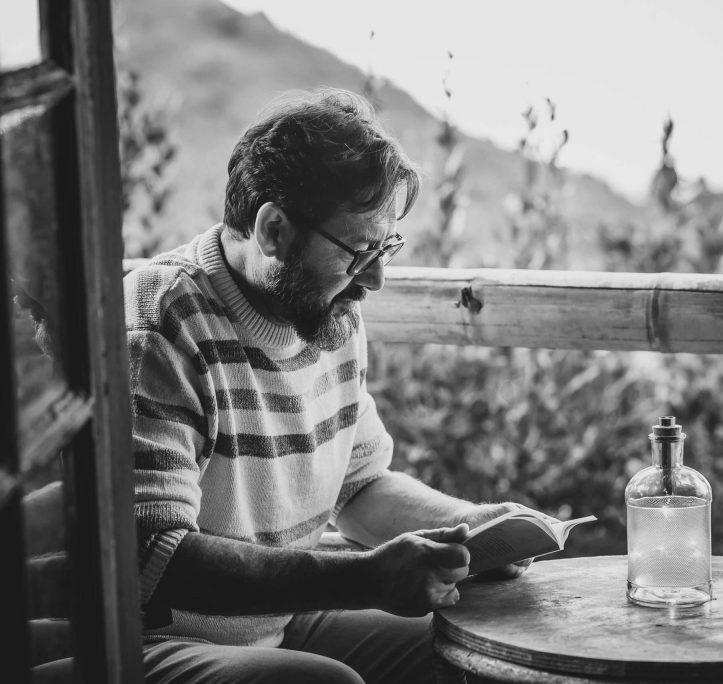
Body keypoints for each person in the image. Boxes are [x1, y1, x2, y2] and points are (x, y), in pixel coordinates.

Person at [126, 88, 530, 684]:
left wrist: (479, 530)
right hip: (148, 637)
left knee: (482, 648)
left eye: (386, 246)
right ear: (273, 230)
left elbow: (359, 487)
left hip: (275, 617)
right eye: (360, 251)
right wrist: (364, 579)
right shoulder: (161, 321)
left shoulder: (329, 315)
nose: (376, 279)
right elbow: (155, 559)